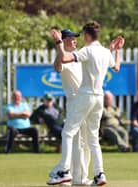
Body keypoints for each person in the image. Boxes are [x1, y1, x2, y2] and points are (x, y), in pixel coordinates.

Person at [48, 22, 124, 186]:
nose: (77, 40)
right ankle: (98, 174)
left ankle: (64, 171)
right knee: (90, 140)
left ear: (87, 35)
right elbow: (115, 66)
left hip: (84, 98)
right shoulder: (100, 51)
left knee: (69, 134)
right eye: (73, 38)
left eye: (79, 36)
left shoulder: (85, 51)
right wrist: (115, 50)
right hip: (97, 98)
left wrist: (58, 41)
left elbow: (71, 57)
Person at [47, 29, 91, 186]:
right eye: (71, 39)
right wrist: (59, 44)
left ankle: (80, 177)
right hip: (74, 102)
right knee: (75, 141)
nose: (74, 41)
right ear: (64, 40)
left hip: (86, 102)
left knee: (85, 143)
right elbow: (57, 67)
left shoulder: (77, 55)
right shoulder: (63, 56)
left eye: (75, 39)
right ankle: (60, 172)